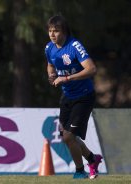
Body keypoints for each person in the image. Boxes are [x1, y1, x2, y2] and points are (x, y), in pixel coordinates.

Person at [44, 15, 102, 179]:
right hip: (67, 96)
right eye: (50, 31)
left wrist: (67, 78)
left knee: (69, 136)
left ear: (64, 31)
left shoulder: (74, 46)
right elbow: (50, 65)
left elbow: (91, 69)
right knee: (67, 137)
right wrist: (51, 75)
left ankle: (80, 171)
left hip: (84, 96)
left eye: (56, 31)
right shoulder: (49, 48)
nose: (52, 34)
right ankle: (92, 158)